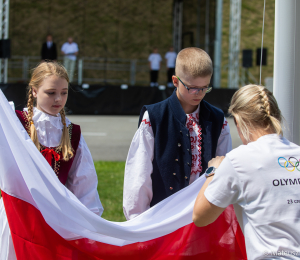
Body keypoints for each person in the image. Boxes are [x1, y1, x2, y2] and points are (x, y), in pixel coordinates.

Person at [0, 61, 103, 260]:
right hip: (18, 216)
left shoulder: (72, 134)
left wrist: (87, 225)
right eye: (50, 92)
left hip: (54, 220)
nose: (58, 99)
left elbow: (85, 186)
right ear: (34, 91)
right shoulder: (15, 125)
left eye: (64, 92)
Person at [192, 84, 300, 259]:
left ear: (239, 121)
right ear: (277, 116)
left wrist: (213, 171)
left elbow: (200, 216)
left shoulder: (238, 160)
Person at [123, 47, 232, 220]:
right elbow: (139, 175)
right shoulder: (154, 116)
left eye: (205, 88)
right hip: (162, 215)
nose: (199, 94)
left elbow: (225, 171)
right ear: (175, 80)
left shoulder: (218, 119)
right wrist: (137, 220)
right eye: (192, 88)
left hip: (203, 214)